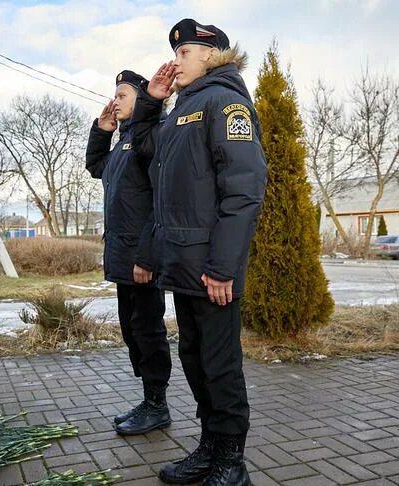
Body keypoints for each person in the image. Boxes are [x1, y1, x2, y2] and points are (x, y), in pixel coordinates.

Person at [131, 19, 267, 485]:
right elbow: (144, 152)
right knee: (194, 359)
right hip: (182, 266)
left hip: (213, 270)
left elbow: (244, 191)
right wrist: (151, 99)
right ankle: (210, 448)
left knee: (220, 366)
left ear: (210, 54)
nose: (176, 61)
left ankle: (232, 462)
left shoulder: (227, 104)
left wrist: (224, 266)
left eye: (184, 52)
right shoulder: (180, 111)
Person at [85, 70, 172, 435]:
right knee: (132, 331)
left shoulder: (149, 138)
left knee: (148, 331)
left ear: (143, 98)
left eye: (123, 94)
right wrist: (102, 131)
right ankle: (149, 399)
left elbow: (161, 201)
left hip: (142, 258)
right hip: (123, 257)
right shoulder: (126, 141)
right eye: (114, 94)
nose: (115, 100)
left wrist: (147, 256)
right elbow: (95, 167)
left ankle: (158, 405)